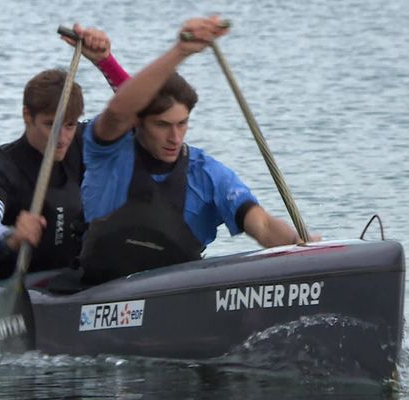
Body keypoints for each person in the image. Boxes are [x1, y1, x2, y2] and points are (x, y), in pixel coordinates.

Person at [79, 16, 318, 284]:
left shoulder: (207, 173)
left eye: (182, 124)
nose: (175, 137)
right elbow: (118, 110)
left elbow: (260, 223)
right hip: (97, 293)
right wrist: (180, 51)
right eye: (162, 125)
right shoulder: (108, 155)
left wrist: (299, 246)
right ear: (138, 123)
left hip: (174, 299)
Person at [0, 24, 130, 280]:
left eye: (70, 125)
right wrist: (11, 236)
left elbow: (139, 115)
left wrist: (105, 61)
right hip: (3, 285)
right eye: (51, 125)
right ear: (27, 115)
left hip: (68, 280)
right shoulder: (0, 169)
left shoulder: (84, 145)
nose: (62, 139)